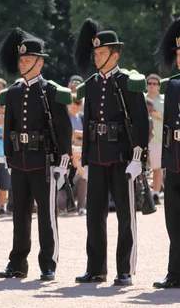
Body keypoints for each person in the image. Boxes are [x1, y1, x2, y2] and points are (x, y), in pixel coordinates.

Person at [73, 18, 149, 286]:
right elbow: (88, 121)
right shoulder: (92, 84)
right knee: (94, 216)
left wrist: (138, 159)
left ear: (115, 55)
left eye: (101, 53)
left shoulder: (129, 81)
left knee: (125, 216)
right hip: (97, 156)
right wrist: (86, 159)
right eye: (95, 54)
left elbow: (141, 122)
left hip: (122, 158)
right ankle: (96, 268)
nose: (96, 58)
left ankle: (124, 269)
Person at [0, 28, 72, 282]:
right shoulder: (15, 92)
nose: (23, 63)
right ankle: (17, 263)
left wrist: (63, 162)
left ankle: (48, 263)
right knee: (19, 214)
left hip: (44, 160)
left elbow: (63, 130)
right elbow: (10, 127)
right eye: (21, 59)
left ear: (40, 62)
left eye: (28, 60)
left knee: (47, 216)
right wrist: (8, 157)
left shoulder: (52, 91)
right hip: (20, 160)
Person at [153, 19, 180, 289]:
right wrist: (163, 162)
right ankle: (174, 273)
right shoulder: (171, 86)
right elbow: (169, 128)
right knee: (173, 220)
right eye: (178, 53)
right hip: (174, 163)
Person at [145, 74, 164, 204]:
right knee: (142, 169)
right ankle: (144, 193)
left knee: (157, 168)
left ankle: (156, 194)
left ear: (159, 86)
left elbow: (170, 119)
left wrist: (157, 115)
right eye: (149, 83)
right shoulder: (140, 99)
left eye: (154, 84)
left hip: (158, 139)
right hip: (143, 139)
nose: (151, 86)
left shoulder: (164, 100)